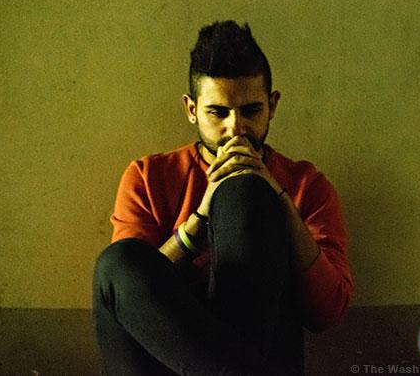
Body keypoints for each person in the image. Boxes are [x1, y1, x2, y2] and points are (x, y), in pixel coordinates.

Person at [92, 20, 353, 375]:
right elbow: (132, 294)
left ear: (272, 105)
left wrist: (278, 201)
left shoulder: (307, 185)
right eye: (218, 112)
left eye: (251, 111)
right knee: (116, 263)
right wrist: (200, 218)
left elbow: (327, 312)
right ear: (192, 110)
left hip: (266, 345)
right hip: (165, 362)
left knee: (246, 195)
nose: (235, 128)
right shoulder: (148, 177)